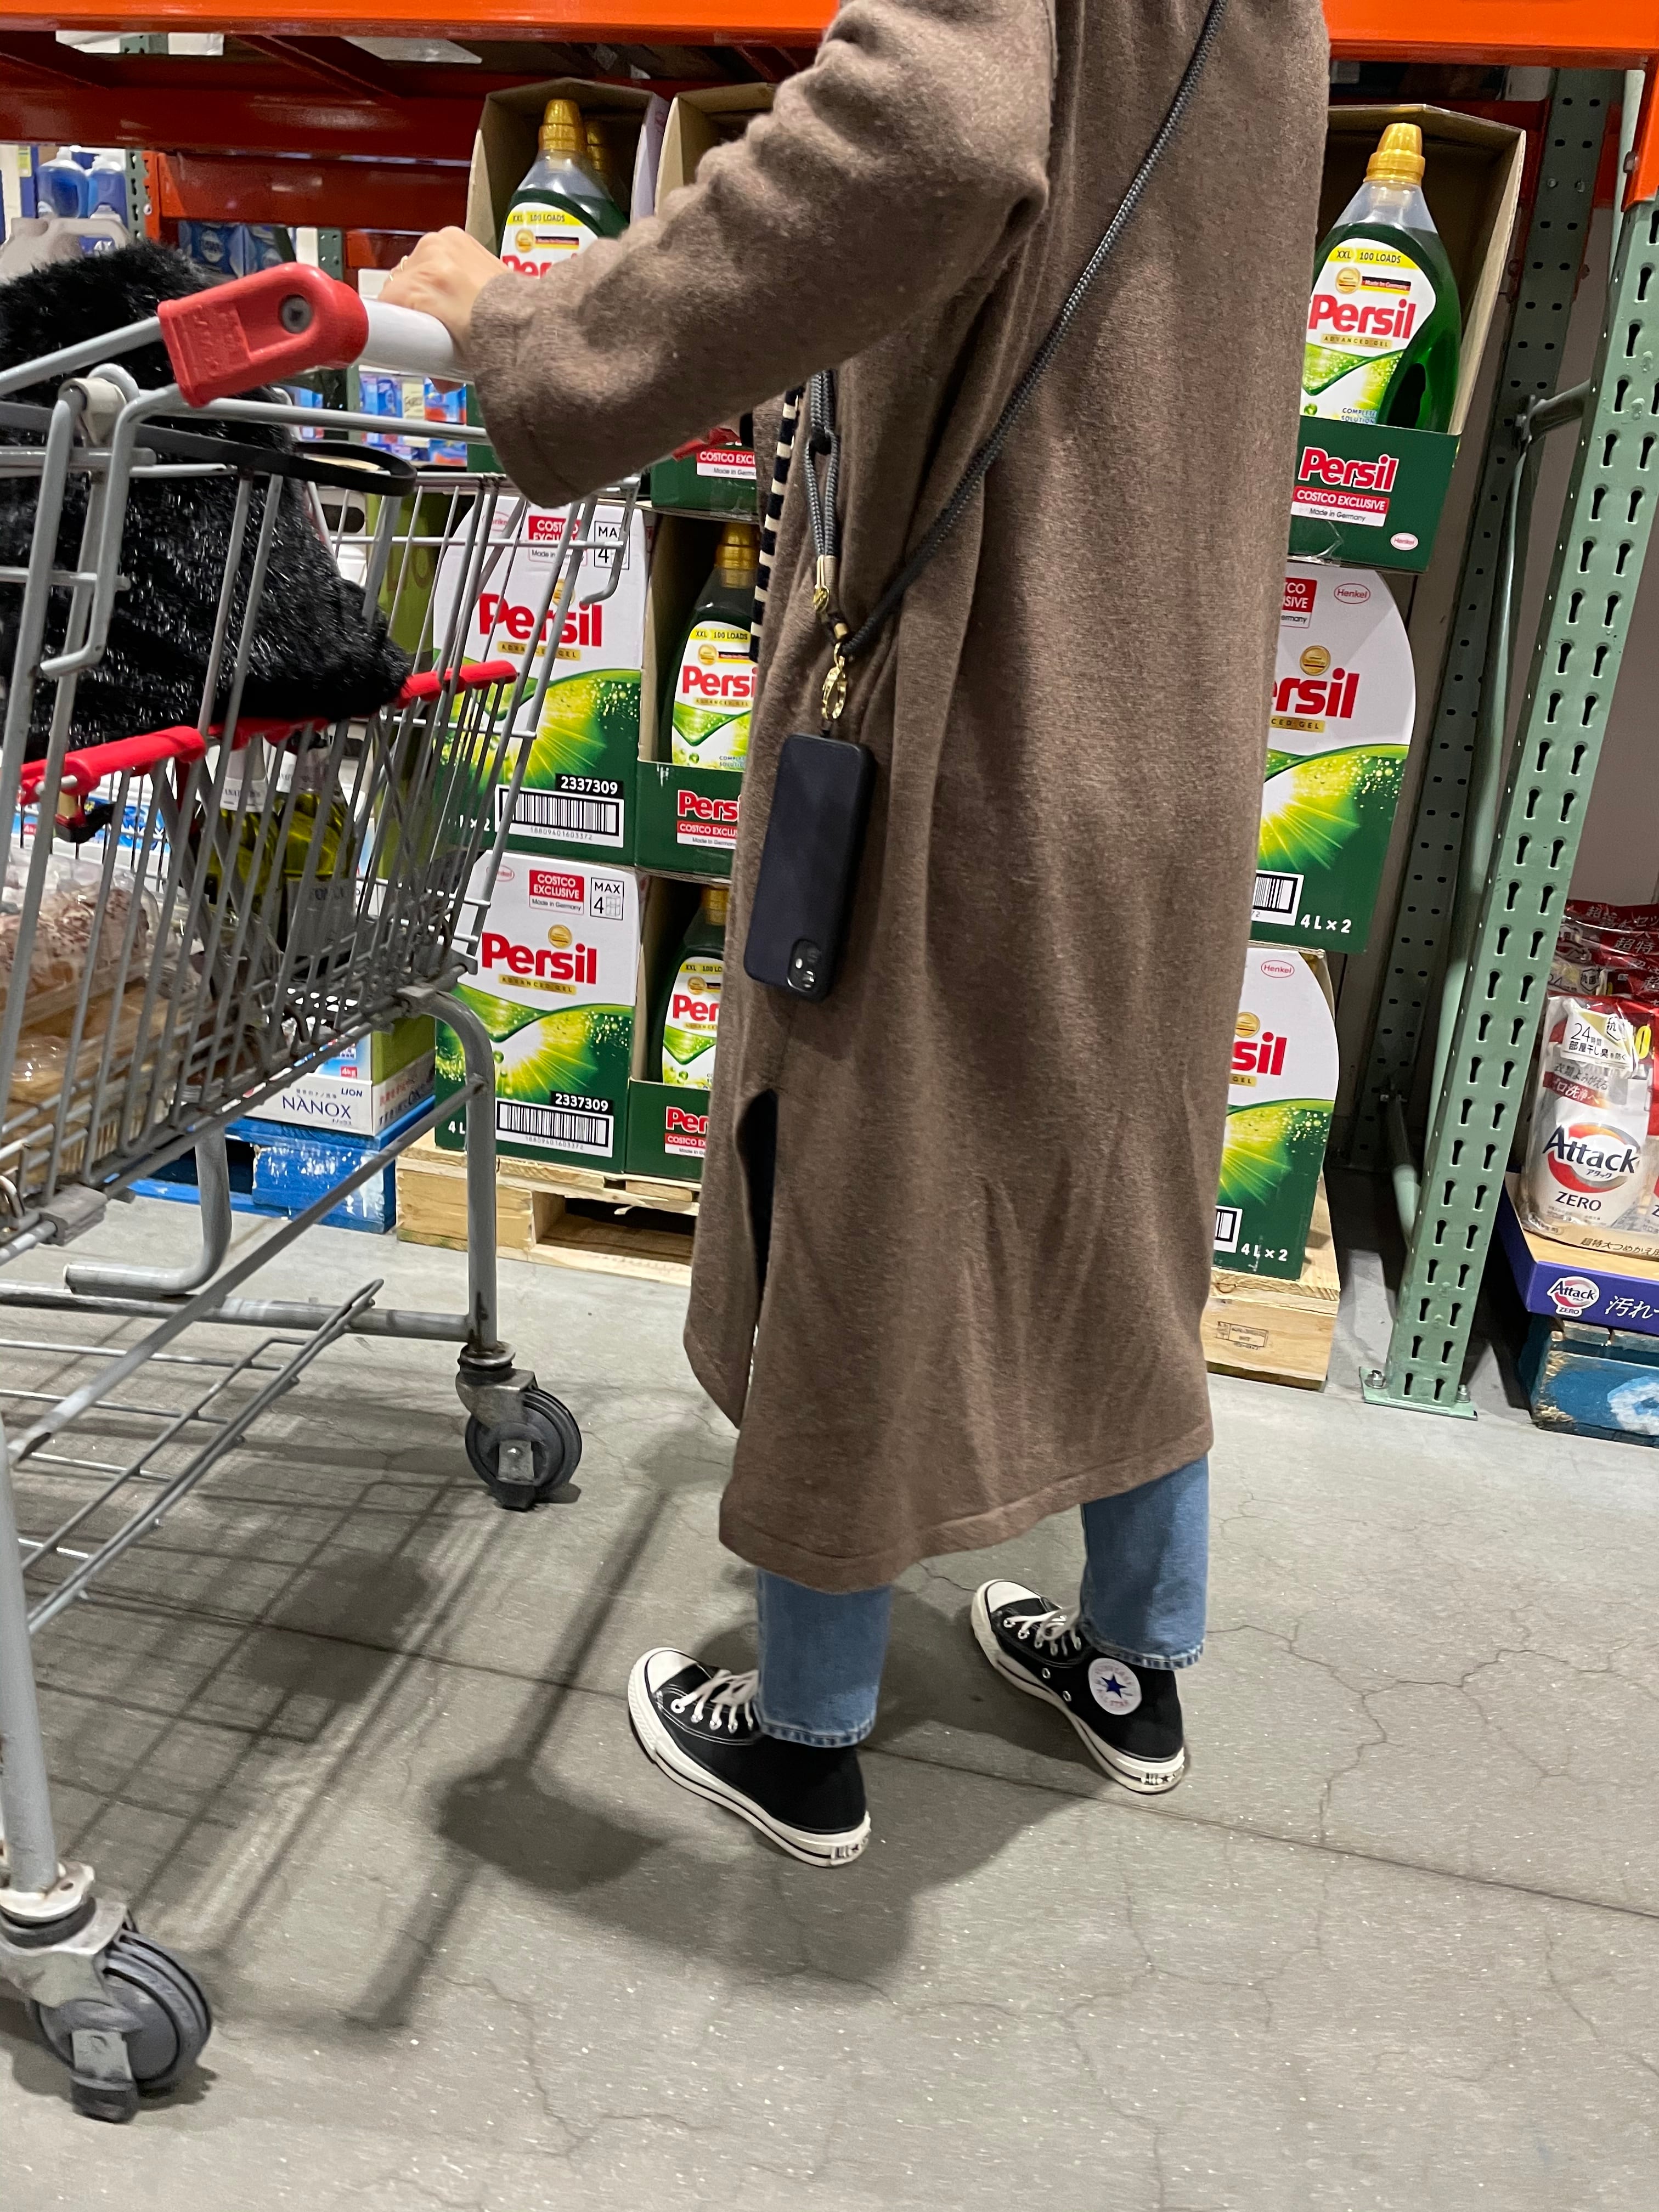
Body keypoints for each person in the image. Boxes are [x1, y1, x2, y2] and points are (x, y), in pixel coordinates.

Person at [385, 0, 1328, 1867]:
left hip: (986, 706)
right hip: (1174, 707)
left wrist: (537, 331)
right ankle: (1133, 1656)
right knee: (1126, 1187)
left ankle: (805, 1732)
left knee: (854, 1186)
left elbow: (933, 131)